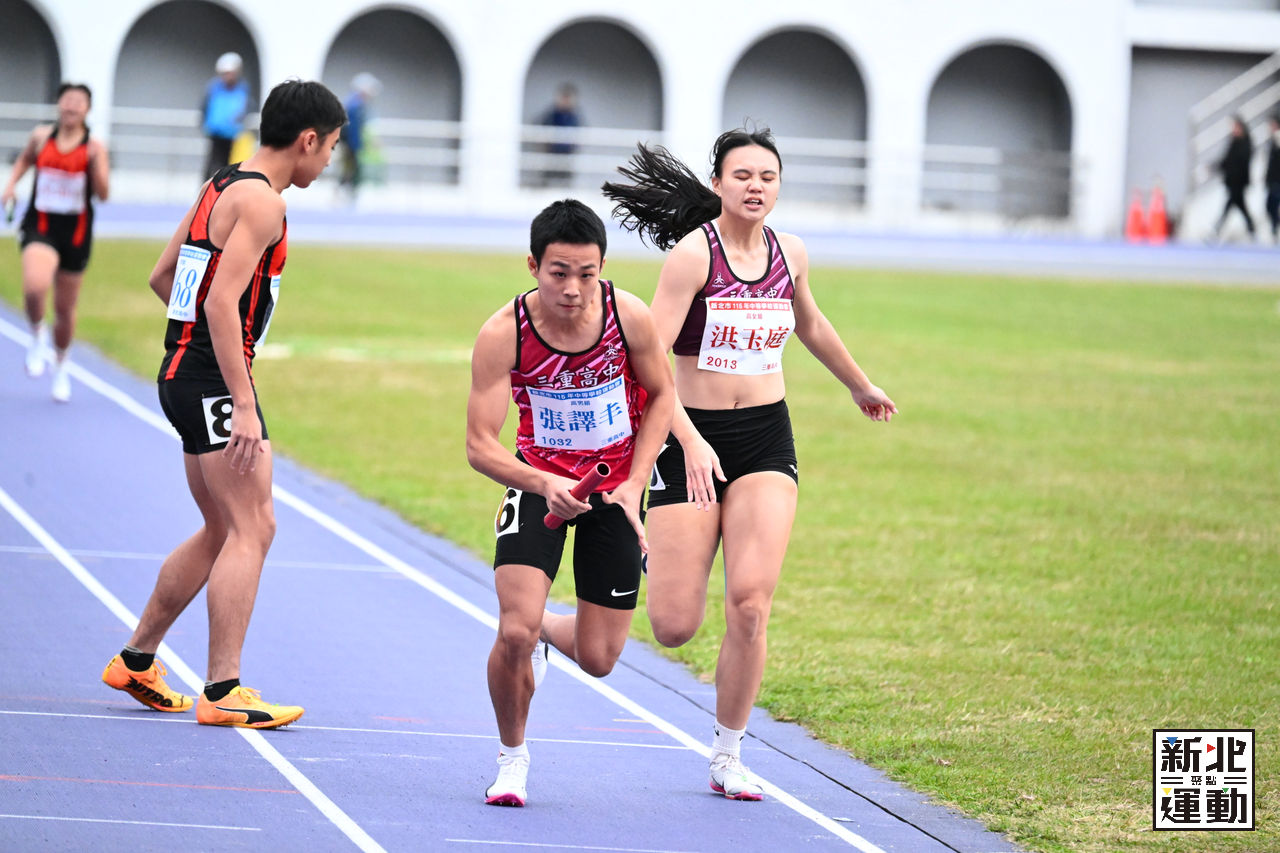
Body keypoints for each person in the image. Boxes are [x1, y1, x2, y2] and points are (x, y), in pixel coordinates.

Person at [602, 128, 897, 800]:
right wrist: (689, 440)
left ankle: (728, 753)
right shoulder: (691, 257)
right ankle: (608, 590)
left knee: (751, 604)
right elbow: (647, 365)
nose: (756, 186)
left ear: (779, 185)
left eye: (767, 176)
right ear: (718, 184)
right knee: (674, 626)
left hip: (765, 438)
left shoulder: (790, 253)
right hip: (689, 437)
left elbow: (811, 323)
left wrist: (860, 384)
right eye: (742, 175)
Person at [100, 79, 345, 729]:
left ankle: (137, 659)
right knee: (253, 527)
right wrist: (240, 397)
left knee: (221, 528)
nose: (330, 162)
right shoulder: (264, 203)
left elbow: (164, 277)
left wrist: (194, 350)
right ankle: (223, 688)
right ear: (308, 140)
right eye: (331, 147)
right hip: (211, 383)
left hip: (182, 375)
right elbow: (217, 301)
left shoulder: (221, 183)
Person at [466, 199, 674, 806]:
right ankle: (512, 758)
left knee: (600, 658)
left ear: (602, 268)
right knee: (512, 630)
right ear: (533, 266)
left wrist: (636, 482)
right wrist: (539, 482)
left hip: (615, 489)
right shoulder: (504, 333)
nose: (573, 289)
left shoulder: (628, 316)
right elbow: (480, 445)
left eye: (587, 273)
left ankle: (546, 630)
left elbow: (662, 396)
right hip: (539, 485)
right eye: (559, 273)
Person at [1, 82, 109, 402]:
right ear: (59, 103)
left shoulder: (94, 147)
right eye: (67, 100)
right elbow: (25, 160)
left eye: (79, 102)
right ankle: (37, 334)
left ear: (87, 110)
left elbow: (103, 194)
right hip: (41, 224)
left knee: (64, 308)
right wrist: (11, 185)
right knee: (35, 287)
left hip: (75, 232)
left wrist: (94, 166)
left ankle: (61, 365)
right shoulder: (41, 136)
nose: (72, 106)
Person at [201, 52, 251, 180]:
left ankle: (223, 187)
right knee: (213, 163)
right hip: (216, 132)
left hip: (233, 134)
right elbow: (205, 108)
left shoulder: (242, 89)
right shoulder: (213, 88)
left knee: (229, 165)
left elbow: (245, 109)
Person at [338, 72, 381, 201]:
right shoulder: (355, 105)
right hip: (351, 143)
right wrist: (357, 145)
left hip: (350, 142)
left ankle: (344, 193)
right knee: (351, 168)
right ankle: (344, 194)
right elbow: (353, 128)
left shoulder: (353, 103)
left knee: (350, 168)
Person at [1215, 115, 1256, 241]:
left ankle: (1217, 229)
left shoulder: (1245, 143)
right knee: (1239, 205)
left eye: (1235, 127)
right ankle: (1252, 229)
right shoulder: (1233, 142)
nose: (1233, 130)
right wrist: (1215, 167)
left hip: (1239, 180)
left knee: (1231, 203)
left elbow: (1241, 162)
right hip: (1232, 180)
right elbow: (1227, 160)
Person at [539, 83, 582, 187]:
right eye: (564, 97)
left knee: (565, 180)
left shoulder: (574, 117)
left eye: (568, 98)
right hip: (551, 153)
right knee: (548, 179)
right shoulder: (551, 115)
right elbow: (542, 130)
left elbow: (579, 133)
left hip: (567, 154)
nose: (566, 101)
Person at [1265, 114, 1280, 242]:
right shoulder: (1272, 140)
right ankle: (1275, 228)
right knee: (1270, 206)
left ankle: (1274, 229)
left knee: (1273, 205)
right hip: (1272, 180)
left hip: (1278, 180)